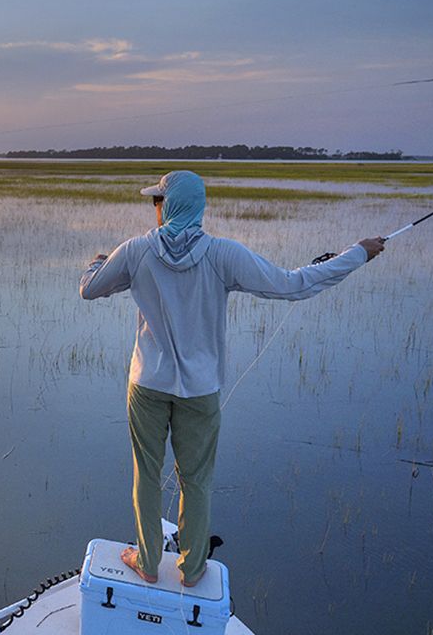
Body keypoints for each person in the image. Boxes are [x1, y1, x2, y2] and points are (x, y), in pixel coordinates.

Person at [80, 170, 383, 587]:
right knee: (197, 482)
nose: (155, 210)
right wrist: (357, 254)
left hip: (147, 386)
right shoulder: (223, 255)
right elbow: (293, 284)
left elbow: (91, 288)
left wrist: (97, 263)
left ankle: (148, 562)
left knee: (146, 476)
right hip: (199, 392)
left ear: (168, 207)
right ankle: (191, 568)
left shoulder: (135, 251)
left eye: (157, 202)